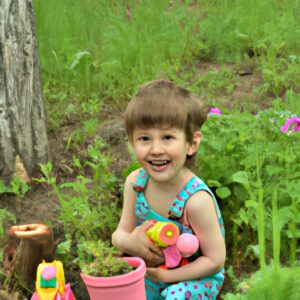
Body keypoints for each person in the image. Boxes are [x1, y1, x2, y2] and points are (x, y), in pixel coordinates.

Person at [112, 80, 226, 300]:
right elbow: (120, 234)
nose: (156, 149)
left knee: (176, 296)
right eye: (144, 138)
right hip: (152, 271)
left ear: (191, 143)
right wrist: (129, 242)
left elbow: (214, 261)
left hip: (195, 277)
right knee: (118, 287)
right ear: (132, 143)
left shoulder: (196, 201)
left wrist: (165, 278)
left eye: (167, 137)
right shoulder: (136, 184)